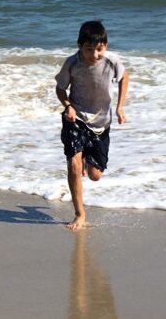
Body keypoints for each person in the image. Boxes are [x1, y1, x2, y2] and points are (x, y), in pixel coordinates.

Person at [55, 20, 128, 230]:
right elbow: (60, 89)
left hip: (101, 122)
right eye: (89, 49)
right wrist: (67, 105)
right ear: (79, 46)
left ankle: (87, 159)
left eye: (99, 49)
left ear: (105, 45)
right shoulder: (71, 63)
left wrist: (120, 108)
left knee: (95, 175)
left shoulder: (112, 61)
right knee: (74, 164)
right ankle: (79, 214)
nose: (95, 55)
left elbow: (125, 77)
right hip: (76, 118)